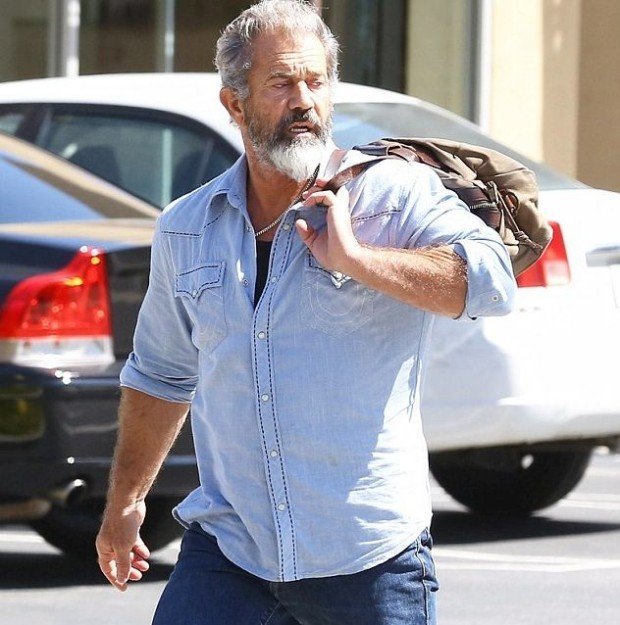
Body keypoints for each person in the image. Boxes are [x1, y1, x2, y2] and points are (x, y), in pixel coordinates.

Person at [95, 1, 516, 623]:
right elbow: (161, 373)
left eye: (316, 82)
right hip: (231, 551)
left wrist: (358, 259)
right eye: (281, 84)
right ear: (235, 103)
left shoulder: (393, 194)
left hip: (366, 559)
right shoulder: (187, 226)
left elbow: (491, 282)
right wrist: (125, 503)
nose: (304, 102)